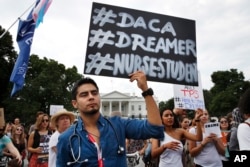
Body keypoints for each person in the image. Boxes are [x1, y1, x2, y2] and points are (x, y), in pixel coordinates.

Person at [56, 70, 164, 166]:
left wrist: (145, 89)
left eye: (94, 93)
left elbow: (154, 129)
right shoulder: (67, 138)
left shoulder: (118, 125)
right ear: (75, 103)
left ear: (99, 97)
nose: (91, 97)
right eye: (84, 95)